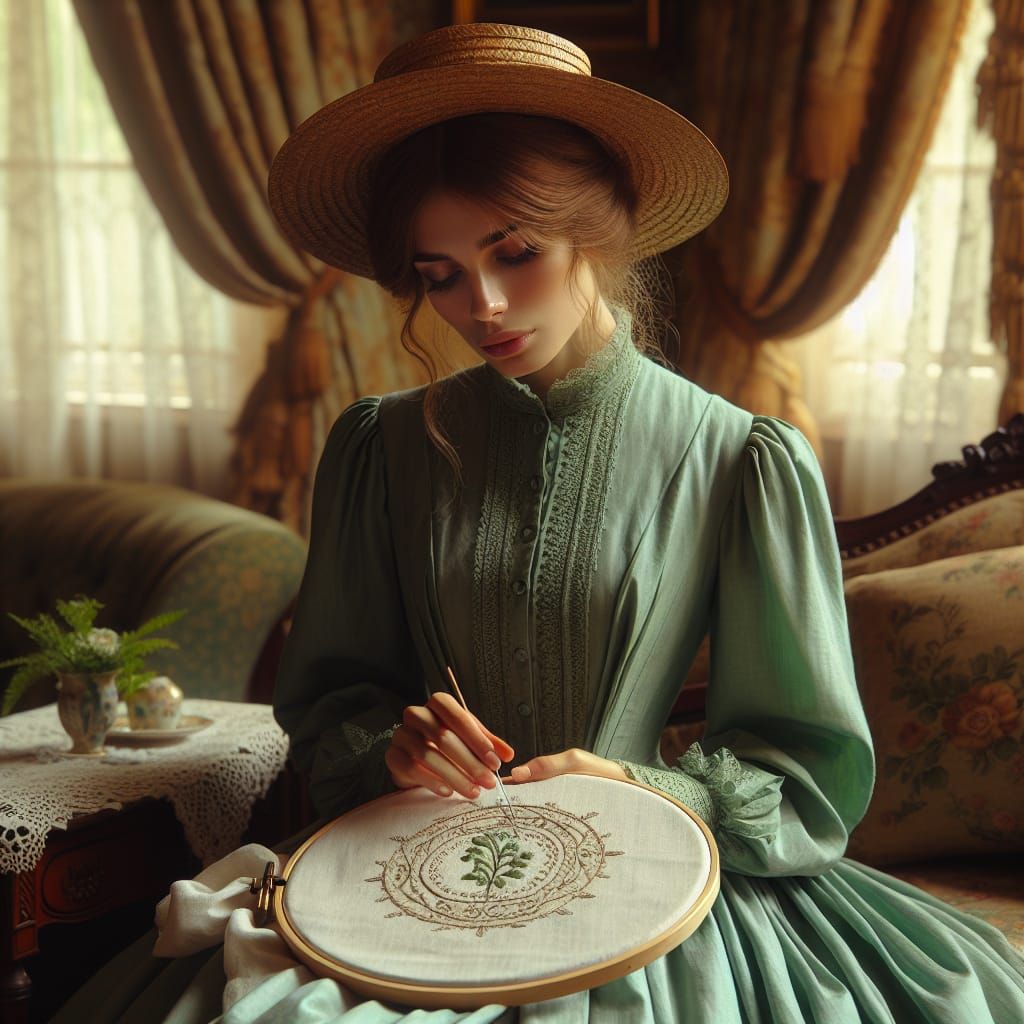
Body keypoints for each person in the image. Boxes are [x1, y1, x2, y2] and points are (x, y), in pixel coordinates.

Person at [54, 20, 1024, 1024]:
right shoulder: (379, 450)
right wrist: (396, 739)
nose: (480, 306)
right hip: (410, 874)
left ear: (597, 232)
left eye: (514, 253)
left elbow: (804, 765)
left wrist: (645, 785)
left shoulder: (739, 457)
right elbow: (333, 695)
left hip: (654, 885)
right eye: (437, 274)